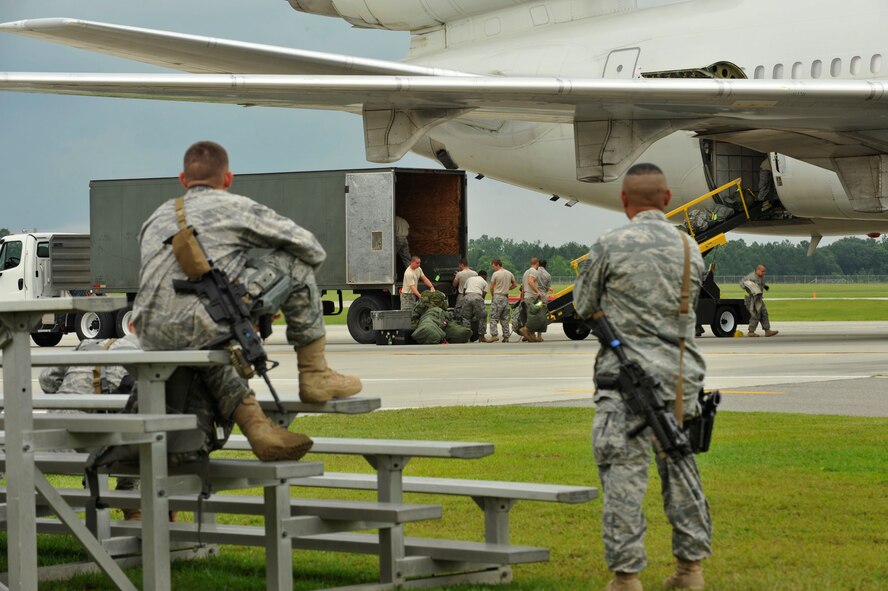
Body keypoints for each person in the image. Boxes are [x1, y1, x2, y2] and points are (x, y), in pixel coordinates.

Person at [133, 141, 362, 463]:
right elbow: (311, 249)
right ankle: (315, 373)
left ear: (183, 180)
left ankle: (257, 426)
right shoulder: (236, 207)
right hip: (208, 325)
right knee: (295, 265)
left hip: (150, 335)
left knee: (205, 340)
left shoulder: (155, 217)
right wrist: (265, 295)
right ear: (228, 179)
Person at [574, 163, 713, 591]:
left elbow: (583, 305)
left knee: (623, 477)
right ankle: (690, 571)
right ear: (668, 200)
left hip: (625, 385)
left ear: (624, 202)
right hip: (679, 384)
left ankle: (627, 576)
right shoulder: (690, 248)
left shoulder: (609, 246)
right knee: (682, 472)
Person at [39, 334, 143, 520]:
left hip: (48, 441)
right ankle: (130, 503)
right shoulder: (140, 357)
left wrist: (66, 398)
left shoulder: (87, 345)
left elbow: (45, 378)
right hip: (96, 452)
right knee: (141, 432)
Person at [741, 264, 778, 337]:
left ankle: (767, 330)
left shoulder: (760, 277)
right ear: (757, 270)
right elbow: (742, 283)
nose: (764, 273)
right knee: (755, 314)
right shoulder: (751, 277)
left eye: (764, 271)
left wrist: (765, 286)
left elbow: (761, 284)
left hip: (758, 298)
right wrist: (749, 287)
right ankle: (751, 332)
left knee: (764, 313)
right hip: (751, 299)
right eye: (762, 271)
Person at [488, 258, 518, 342]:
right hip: (505, 297)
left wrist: (493, 296)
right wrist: (507, 288)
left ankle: (494, 335)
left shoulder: (495, 274)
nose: (493, 268)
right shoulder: (509, 273)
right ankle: (506, 337)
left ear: (497, 265)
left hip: (497, 296)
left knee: (493, 317)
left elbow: (491, 287)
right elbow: (515, 285)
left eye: (493, 266)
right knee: (505, 318)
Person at [461, 270, 493, 342]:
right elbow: (483, 295)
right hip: (477, 296)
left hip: (467, 296)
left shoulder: (469, 279)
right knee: (482, 317)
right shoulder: (484, 282)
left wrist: (465, 299)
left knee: (466, 318)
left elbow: (464, 290)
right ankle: (481, 337)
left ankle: (467, 337)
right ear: (484, 275)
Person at [517, 257, 544, 342]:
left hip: (526, 297)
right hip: (532, 297)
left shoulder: (526, 272)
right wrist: (537, 291)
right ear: (537, 263)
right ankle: (525, 329)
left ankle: (531, 336)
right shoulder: (534, 271)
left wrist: (522, 298)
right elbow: (530, 281)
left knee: (530, 316)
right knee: (535, 317)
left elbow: (522, 286)